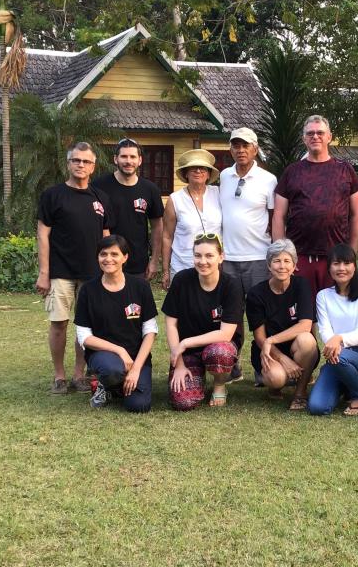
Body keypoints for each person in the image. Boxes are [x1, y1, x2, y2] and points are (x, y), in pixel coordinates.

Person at [35, 142, 113, 395]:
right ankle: (59, 376)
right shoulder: (53, 195)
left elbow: (106, 237)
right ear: (68, 164)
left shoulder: (101, 198)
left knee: (85, 327)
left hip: (92, 274)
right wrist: (44, 273)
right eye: (76, 160)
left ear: (93, 166)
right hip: (60, 272)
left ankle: (80, 375)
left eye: (86, 161)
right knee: (59, 324)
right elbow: (43, 235)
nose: (81, 165)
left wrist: (109, 269)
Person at [273, 114, 358, 295]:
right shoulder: (292, 172)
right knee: (303, 309)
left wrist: (351, 253)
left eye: (320, 133)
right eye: (310, 133)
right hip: (299, 257)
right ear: (304, 139)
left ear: (329, 137)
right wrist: (282, 256)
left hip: (336, 258)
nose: (315, 136)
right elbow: (278, 216)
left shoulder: (345, 170)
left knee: (335, 307)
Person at [73, 235, 158, 413]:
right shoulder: (88, 290)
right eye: (103, 254)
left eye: (114, 254)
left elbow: (150, 331)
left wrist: (136, 369)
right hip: (103, 356)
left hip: (136, 358)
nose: (108, 259)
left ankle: (117, 387)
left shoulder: (140, 286)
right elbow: (84, 337)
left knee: (139, 405)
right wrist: (120, 350)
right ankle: (105, 384)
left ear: (125, 257)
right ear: (98, 257)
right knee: (112, 370)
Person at [162, 233, 244, 410]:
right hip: (188, 352)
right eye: (198, 255)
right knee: (183, 402)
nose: (203, 261)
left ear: (221, 257)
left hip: (218, 346)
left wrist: (185, 342)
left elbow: (226, 334)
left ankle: (219, 384)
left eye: (209, 256)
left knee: (219, 353)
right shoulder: (181, 280)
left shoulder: (232, 285)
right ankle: (196, 374)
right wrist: (179, 364)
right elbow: (171, 324)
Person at [245, 239, 318, 409]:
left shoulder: (302, 285)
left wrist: (272, 340)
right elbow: (260, 338)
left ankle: (300, 393)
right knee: (276, 379)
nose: (282, 266)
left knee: (307, 339)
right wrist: (282, 358)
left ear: (294, 265)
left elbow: (306, 326)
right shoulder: (256, 294)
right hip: (269, 351)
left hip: (297, 348)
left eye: (287, 261)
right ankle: (275, 386)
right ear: (269, 265)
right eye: (277, 261)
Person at [309, 244, 358, 416]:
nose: (341, 268)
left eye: (347, 263)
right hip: (336, 357)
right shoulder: (323, 296)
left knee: (340, 357)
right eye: (336, 263)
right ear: (329, 268)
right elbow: (325, 330)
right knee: (317, 407)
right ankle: (346, 384)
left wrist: (338, 339)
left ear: (354, 266)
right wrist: (334, 343)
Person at [92, 138, 164, 279]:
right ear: (115, 159)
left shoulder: (150, 189)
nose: (128, 161)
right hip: (105, 262)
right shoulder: (98, 186)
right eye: (124, 156)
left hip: (138, 264)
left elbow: (157, 227)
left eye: (133, 157)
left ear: (140, 160)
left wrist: (154, 260)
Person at [219, 127, 277, 294]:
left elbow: (274, 218)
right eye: (236, 146)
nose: (241, 150)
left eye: (246, 146)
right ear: (231, 150)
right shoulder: (224, 176)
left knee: (258, 305)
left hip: (258, 256)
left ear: (255, 150)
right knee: (231, 306)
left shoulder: (268, 179)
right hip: (228, 257)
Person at [162, 149, 222, 290]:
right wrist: (165, 271)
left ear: (208, 174)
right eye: (193, 168)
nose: (198, 171)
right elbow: (167, 236)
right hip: (182, 265)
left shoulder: (218, 193)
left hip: (213, 266)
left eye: (203, 168)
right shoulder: (175, 199)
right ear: (186, 173)